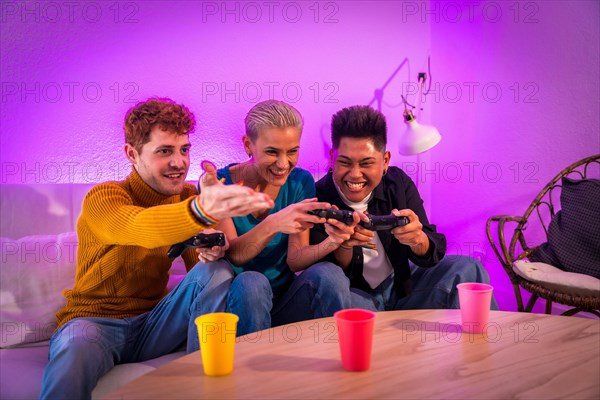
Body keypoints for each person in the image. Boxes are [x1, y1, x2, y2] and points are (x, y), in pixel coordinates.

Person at [40, 98, 274, 400]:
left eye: (184, 150)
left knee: (216, 269)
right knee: (74, 346)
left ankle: (208, 387)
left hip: (153, 324)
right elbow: (139, 227)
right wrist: (200, 211)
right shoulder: (104, 197)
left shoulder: (188, 196)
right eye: (165, 151)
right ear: (132, 153)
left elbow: (201, 274)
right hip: (94, 324)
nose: (179, 162)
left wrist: (213, 250)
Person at [310, 105, 498, 311]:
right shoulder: (318, 198)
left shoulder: (397, 182)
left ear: (385, 161)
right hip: (355, 299)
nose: (355, 174)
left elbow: (433, 249)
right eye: (345, 162)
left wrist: (417, 239)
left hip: (402, 288)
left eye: (366, 163)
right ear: (332, 157)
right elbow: (330, 280)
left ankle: (480, 340)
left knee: (468, 268)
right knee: (331, 284)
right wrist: (343, 245)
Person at [200, 100, 352, 336]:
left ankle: (338, 357)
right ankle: (251, 370)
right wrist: (275, 222)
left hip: (285, 300)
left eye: (292, 151)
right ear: (248, 145)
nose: (283, 164)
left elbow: (295, 259)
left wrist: (333, 241)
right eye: (272, 152)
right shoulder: (219, 183)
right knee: (252, 281)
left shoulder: (300, 182)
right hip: (240, 301)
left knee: (329, 273)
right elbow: (235, 255)